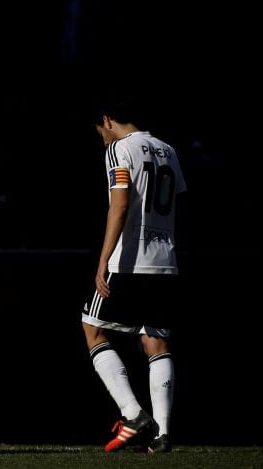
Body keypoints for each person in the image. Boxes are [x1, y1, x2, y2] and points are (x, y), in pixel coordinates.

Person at [81, 97, 186, 453]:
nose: (101, 138)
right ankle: (164, 433)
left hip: (130, 261)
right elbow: (177, 203)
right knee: (156, 341)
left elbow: (120, 202)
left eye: (99, 131)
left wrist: (103, 261)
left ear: (107, 119)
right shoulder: (167, 150)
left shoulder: (120, 149)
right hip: (165, 259)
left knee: (91, 328)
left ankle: (133, 413)